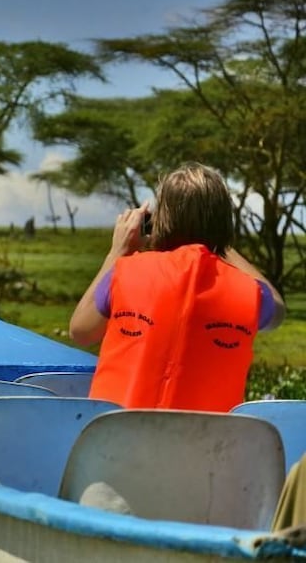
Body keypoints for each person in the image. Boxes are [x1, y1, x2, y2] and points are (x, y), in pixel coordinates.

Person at [69, 162, 285, 412]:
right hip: (208, 446)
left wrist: (117, 252)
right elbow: (277, 311)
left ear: (161, 220)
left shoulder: (126, 271)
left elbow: (81, 332)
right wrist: (221, 245)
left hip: (117, 441)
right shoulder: (248, 291)